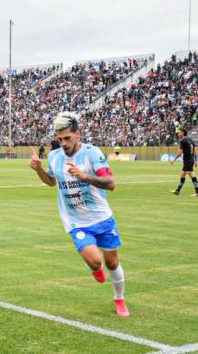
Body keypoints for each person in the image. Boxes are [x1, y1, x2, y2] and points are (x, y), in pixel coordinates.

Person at [29, 112, 130, 317]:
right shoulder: (54, 156)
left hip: (102, 218)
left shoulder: (92, 153)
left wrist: (83, 176)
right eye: (59, 139)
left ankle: (119, 298)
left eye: (67, 138)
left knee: (112, 262)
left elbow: (111, 184)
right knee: (95, 261)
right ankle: (95, 269)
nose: (63, 143)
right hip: (76, 222)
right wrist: (38, 169)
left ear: (78, 134)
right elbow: (51, 182)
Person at [170, 129, 198, 197]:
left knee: (191, 175)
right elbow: (195, 151)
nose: (178, 134)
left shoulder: (183, 141)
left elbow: (180, 153)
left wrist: (174, 159)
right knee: (182, 175)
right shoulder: (191, 140)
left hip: (187, 160)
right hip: (191, 160)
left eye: (179, 133)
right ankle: (177, 191)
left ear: (183, 133)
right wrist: (196, 160)